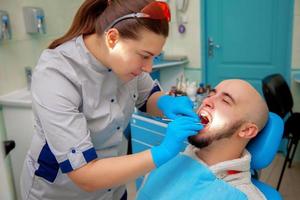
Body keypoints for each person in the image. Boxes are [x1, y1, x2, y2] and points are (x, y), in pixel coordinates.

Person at [20, 1, 203, 200]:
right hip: (62, 192)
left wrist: (165, 103)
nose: (148, 68)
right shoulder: (56, 73)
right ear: (113, 38)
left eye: (154, 58)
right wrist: (163, 151)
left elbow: (147, 96)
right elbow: (85, 174)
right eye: (145, 56)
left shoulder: (125, 61)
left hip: (113, 189)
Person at [137, 79, 269, 200]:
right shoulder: (167, 162)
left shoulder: (243, 196)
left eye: (225, 101)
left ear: (246, 130)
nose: (206, 101)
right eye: (210, 95)